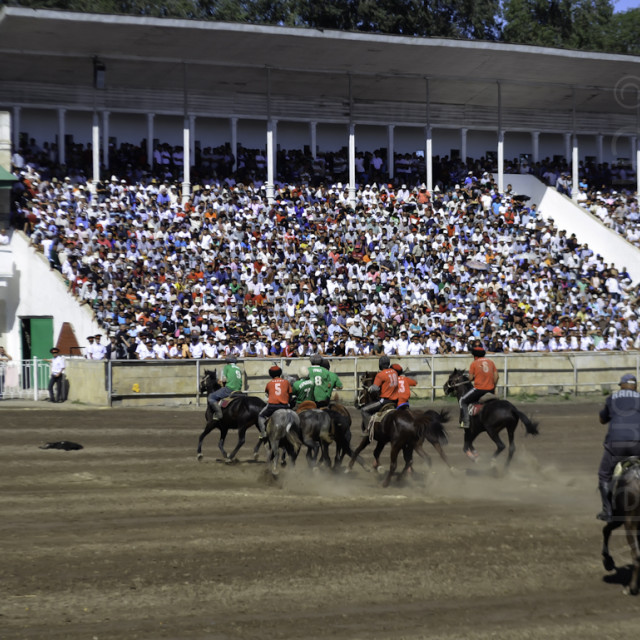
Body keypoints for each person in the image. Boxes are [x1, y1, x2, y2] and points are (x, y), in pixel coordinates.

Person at [596, 373, 640, 522]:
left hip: (616, 443)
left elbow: (602, 419)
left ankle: (607, 512)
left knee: (604, 474)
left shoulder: (612, 398)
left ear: (621, 385)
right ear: (636, 387)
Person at [459, 340, 499, 429]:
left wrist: (472, 378)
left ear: (475, 355)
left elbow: (470, 379)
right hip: (491, 389)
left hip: (478, 389)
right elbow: (497, 377)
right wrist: (493, 387)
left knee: (462, 400)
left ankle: (466, 422)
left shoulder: (474, 363)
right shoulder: (491, 362)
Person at [360, 355, 399, 433]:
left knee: (364, 410)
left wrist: (370, 388)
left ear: (380, 364)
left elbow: (375, 388)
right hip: (396, 401)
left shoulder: (380, 374)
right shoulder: (395, 372)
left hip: (385, 401)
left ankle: (368, 430)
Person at [257, 365, 293, 439]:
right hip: (285, 406)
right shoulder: (286, 382)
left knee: (261, 415)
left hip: (272, 406)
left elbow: (267, 394)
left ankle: (263, 433)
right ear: (280, 373)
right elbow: (290, 394)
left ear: (270, 374)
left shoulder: (269, 383)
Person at [207, 355, 243, 421]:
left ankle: (219, 414)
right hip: (238, 390)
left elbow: (223, 380)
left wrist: (218, 381)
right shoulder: (238, 368)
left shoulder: (226, 367)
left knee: (211, 397)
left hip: (229, 389)